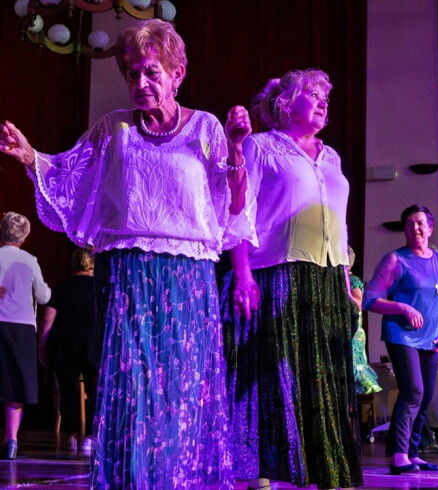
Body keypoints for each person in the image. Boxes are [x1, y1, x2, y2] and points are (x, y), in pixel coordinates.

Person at [1, 19, 251, 488]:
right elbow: (69, 174)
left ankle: (180, 480)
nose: (140, 83)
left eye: (152, 72)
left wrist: (236, 150)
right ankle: (132, 480)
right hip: (126, 271)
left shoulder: (206, 127)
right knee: (131, 387)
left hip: (188, 275)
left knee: (182, 387)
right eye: (132, 73)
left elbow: (233, 205)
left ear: (177, 74)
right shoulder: (113, 128)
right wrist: (32, 156)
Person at [224, 69, 362, 489]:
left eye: (326, 96)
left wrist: (345, 281)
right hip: (278, 271)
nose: (323, 101)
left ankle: (327, 469)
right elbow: (239, 210)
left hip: (328, 276)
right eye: (313, 94)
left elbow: (339, 224)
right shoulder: (261, 146)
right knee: (276, 376)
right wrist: (242, 274)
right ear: (284, 103)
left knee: (324, 379)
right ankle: (263, 470)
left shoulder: (331, 156)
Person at [364, 204, 438, 476]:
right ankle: (398, 455)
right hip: (402, 335)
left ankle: (413, 453)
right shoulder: (396, 260)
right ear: (404, 230)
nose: (415, 228)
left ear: (430, 229)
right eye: (409, 224)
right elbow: (370, 299)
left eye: (420, 223)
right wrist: (403, 308)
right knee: (413, 390)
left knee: (425, 396)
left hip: (431, 338)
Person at [38, 247, 100, 456]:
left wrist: (42, 347)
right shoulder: (99, 288)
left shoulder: (61, 287)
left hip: (65, 344)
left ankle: (69, 436)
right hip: (93, 343)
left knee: (68, 389)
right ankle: (90, 437)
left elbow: (47, 319)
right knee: (94, 389)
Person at [0, 212, 51, 460]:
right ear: (24, 237)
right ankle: (11, 440)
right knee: (15, 386)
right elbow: (44, 296)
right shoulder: (29, 260)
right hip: (21, 328)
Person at [347, 248, 383, 396]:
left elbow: (358, 304)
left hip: (353, 333)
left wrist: (344, 290)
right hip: (341, 332)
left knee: (352, 375)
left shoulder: (352, 281)